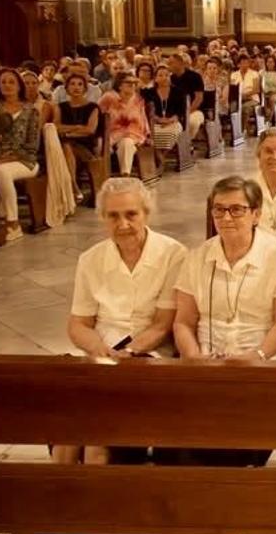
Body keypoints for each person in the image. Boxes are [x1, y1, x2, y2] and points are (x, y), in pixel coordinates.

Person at [56, 177, 187, 465]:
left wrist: (127, 354)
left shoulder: (172, 253)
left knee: (95, 443)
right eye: (113, 216)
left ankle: (93, 504)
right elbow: (78, 324)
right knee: (67, 431)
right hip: (101, 355)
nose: (122, 224)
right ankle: (57, 498)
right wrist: (101, 350)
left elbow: (162, 323)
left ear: (146, 214)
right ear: (103, 218)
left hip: (148, 356)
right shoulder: (90, 259)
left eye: (131, 214)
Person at [174, 176, 276, 361]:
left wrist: (258, 355)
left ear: (256, 215)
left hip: (266, 360)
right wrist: (193, 358)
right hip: (206, 358)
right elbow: (183, 321)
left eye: (236, 210)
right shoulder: (196, 257)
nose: (226, 217)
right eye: (219, 209)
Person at [0, 68, 41, 241]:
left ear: (18, 86)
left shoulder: (31, 111)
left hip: (26, 160)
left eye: (11, 82)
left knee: (2, 172)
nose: (7, 85)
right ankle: (1, 210)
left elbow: (33, 146)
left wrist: (7, 158)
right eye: (3, 82)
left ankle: (13, 224)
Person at [55, 72, 102, 203]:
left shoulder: (93, 107)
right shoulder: (61, 106)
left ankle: (73, 188)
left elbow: (89, 130)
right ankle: (72, 187)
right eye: (72, 84)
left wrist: (68, 132)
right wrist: (76, 126)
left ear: (85, 88)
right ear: (67, 88)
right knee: (64, 147)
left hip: (85, 147)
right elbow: (56, 126)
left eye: (80, 84)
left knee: (66, 146)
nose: (76, 87)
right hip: (64, 145)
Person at [98, 72, 151, 177]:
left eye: (134, 82)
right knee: (100, 144)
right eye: (128, 82)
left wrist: (148, 134)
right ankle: (101, 175)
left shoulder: (137, 99)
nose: (132, 85)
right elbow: (96, 114)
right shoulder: (109, 97)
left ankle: (125, 174)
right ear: (119, 85)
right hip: (112, 133)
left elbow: (143, 117)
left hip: (133, 133)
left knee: (126, 143)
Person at [143, 63, 188, 153]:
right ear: (155, 78)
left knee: (170, 134)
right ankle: (158, 156)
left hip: (173, 122)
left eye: (167, 75)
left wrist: (170, 120)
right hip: (154, 123)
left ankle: (162, 156)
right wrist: (159, 120)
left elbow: (181, 111)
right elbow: (147, 110)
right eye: (160, 75)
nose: (164, 78)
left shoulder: (178, 92)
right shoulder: (149, 92)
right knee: (151, 135)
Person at [168, 52, 206, 141]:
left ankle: (187, 143)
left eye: (171, 63)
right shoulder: (170, 79)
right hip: (176, 111)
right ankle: (172, 144)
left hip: (194, 110)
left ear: (179, 63)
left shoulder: (195, 76)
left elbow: (198, 98)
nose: (169, 65)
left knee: (191, 122)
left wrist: (187, 112)